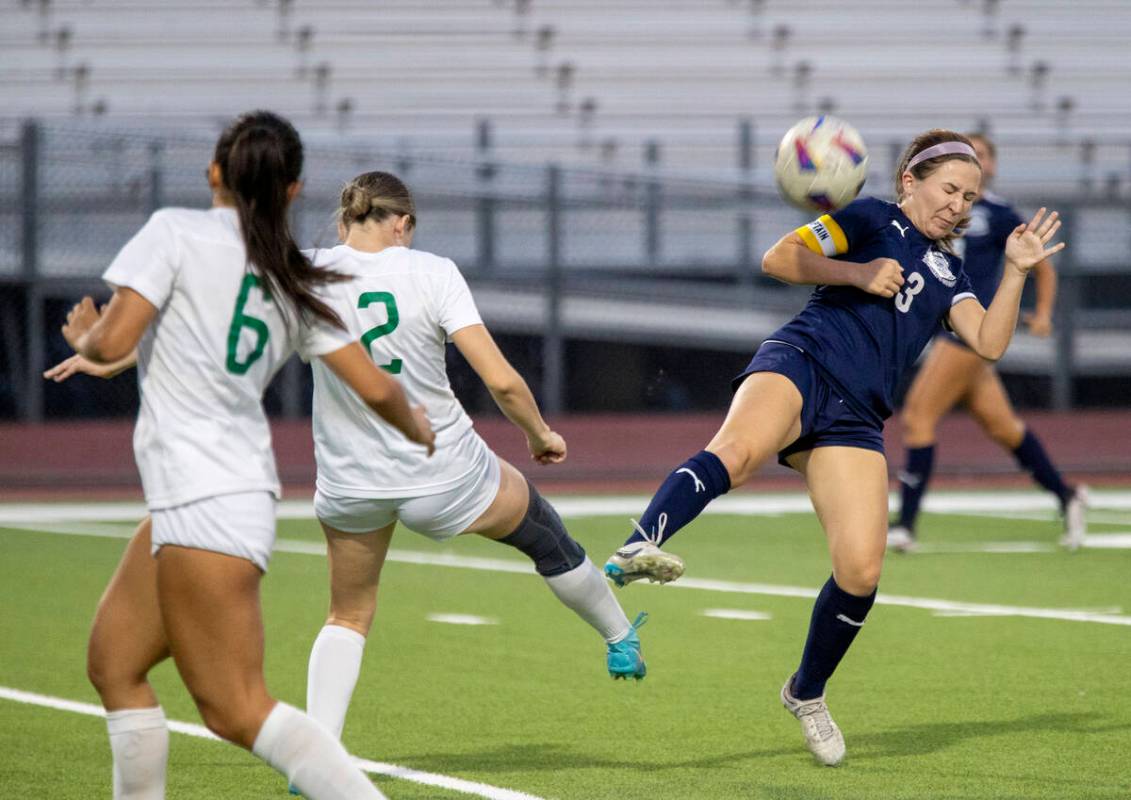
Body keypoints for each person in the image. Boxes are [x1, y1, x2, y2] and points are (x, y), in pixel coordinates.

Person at [601, 129, 1064, 766]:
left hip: (857, 417)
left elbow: (986, 341)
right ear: (911, 182)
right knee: (736, 453)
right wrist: (858, 272)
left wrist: (1014, 271)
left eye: (970, 195)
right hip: (803, 359)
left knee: (861, 571)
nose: (959, 204)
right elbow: (779, 259)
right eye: (950, 188)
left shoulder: (948, 270)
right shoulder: (871, 217)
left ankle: (806, 692)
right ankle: (643, 541)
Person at [57, 110, 435, 800]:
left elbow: (112, 346)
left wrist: (87, 337)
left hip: (208, 500)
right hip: (207, 496)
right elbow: (375, 384)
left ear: (213, 174)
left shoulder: (176, 232)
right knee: (114, 664)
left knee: (234, 707)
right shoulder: (291, 275)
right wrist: (413, 423)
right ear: (291, 191)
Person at [297, 170, 647, 755]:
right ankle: (619, 637)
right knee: (545, 535)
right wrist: (540, 434)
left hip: (349, 479)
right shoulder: (431, 271)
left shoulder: (304, 270)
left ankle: (316, 755)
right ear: (402, 224)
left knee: (347, 615)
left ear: (343, 223)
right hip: (443, 473)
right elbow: (502, 382)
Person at [887, 133, 1086, 553]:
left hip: (970, 330)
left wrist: (1044, 312)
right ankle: (1067, 496)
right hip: (947, 326)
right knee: (1004, 428)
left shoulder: (997, 213)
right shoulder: (936, 207)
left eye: (980, 155)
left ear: (990, 167)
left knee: (919, 415)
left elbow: (1040, 264)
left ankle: (904, 525)